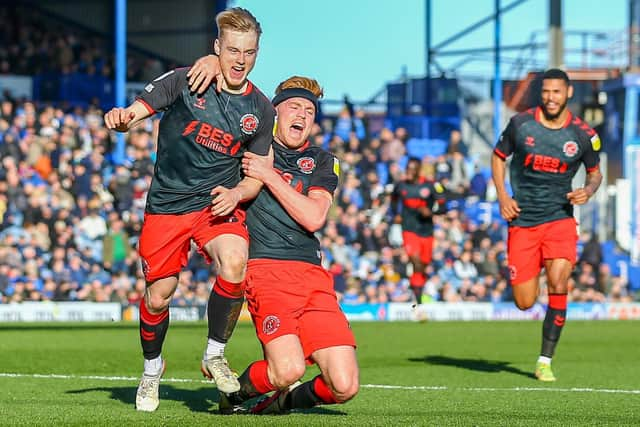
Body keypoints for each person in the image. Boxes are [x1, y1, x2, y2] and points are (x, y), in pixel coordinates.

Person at [104, 7, 275, 411]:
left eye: (249, 52)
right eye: (232, 50)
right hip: (167, 205)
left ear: (257, 54)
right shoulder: (186, 80)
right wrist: (125, 119)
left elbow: (257, 174)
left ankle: (214, 352)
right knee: (159, 297)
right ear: (217, 48)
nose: (240, 59)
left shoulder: (261, 110)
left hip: (217, 206)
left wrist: (238, 194)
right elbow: (139, 109)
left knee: (235, 262)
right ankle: (151, 369)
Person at [217, 76, 359, 415]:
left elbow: (314, 217)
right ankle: (233, 396)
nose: (303, 115)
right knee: (287, 370)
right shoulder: (249, 150)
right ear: (275, 113)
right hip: (267, 272)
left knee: (344, 385)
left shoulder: (322, 161)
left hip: (313, 276)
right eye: (294, 106)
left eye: (310, 111)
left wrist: (268, 176)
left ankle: (282, 402)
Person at [491, 68, 602, 381]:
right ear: (541, 94)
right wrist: (502, 195)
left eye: (557, 92)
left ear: (568, 93)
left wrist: (588, 190)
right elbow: (498, 157)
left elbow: (595, 173)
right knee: (525, 302)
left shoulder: (583, 135)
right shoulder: (521, 124)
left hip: (559, 219)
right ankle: (531, 268)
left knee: (559, 281)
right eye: (546, 92)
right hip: (523, 221)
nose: (551, 97)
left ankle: (544, 360)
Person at [391, 157, 446, 304]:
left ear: (418, 170)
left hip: (426, 230)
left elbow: (443, 206)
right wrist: (395, 214)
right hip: (409, 229)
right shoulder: (401, 186)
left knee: (423, 265)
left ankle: (418, 297)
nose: (408, 172)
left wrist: (431, 212)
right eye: (407, 169)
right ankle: (418, 299)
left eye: (412, 169)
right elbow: (393, 200)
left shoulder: (431, 186)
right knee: (415, 261)